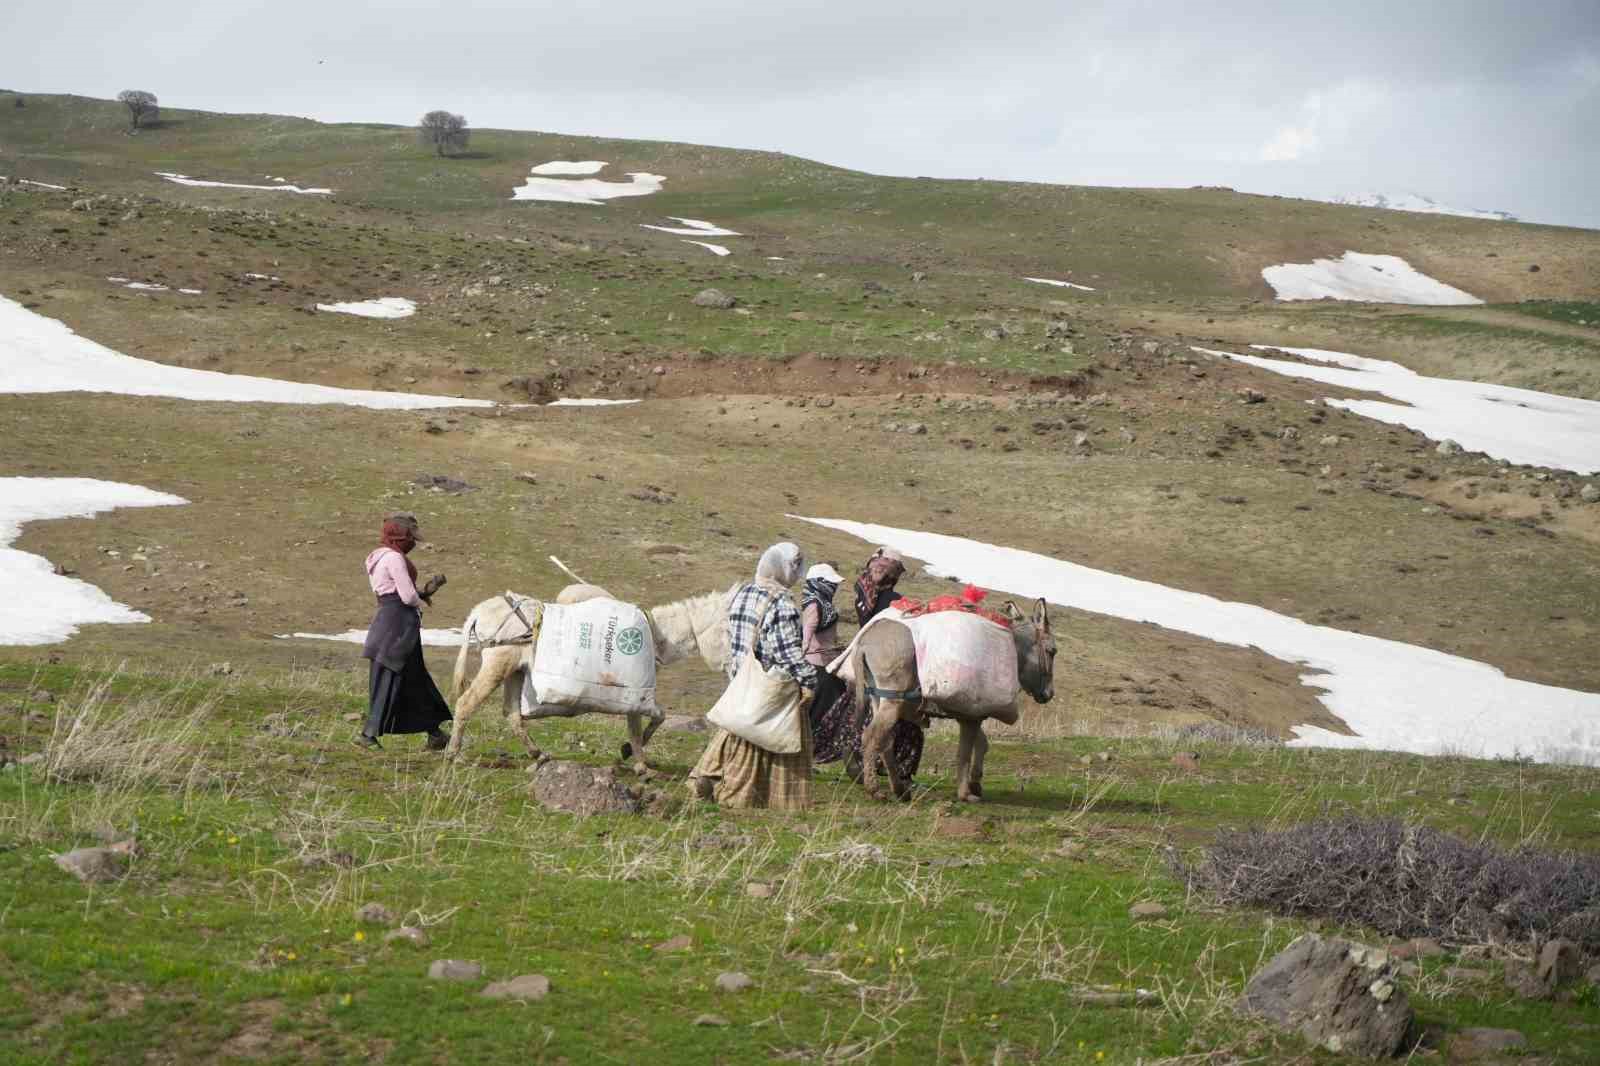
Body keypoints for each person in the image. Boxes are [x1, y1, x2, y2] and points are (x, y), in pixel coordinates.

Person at [688, 542, 817, 809]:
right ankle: (738, 794)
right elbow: (786, 652)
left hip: (741, 677)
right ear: (782, 570)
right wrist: (809, 679)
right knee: (765, 737)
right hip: (770, 684)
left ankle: (707, 777)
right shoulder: (782, 604)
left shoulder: (743, 592)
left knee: (737, 730)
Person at [816, 546, 926, 785]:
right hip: (885, 657)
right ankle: (886, 767)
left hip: (863, 655)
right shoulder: (893, 600)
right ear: (895, 574)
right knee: (899, 719)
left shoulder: (862, 591)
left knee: (855, 708)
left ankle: (853, 754)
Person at [358, 514, 451, 750]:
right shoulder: (395, 559)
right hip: (399, 625)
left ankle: (435, 733)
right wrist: (418, 600)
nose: (413, 543)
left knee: (413, 677)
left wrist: (423, 592)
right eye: (410, 538)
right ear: (400, 537)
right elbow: (406, 596)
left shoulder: (376, 557)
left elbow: (392, 591)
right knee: (391, 675)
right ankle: (368, 735)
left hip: (388, 621)